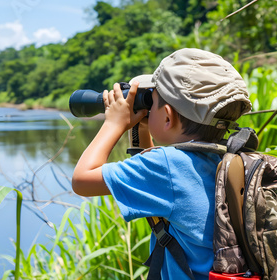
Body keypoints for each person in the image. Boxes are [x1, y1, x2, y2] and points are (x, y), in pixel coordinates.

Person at [71, 48, 252, 279]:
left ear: (167, 117)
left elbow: (81, 181)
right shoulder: (227, 157)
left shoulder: (167, 165)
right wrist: (141, 128)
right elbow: (157, 181)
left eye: (152, 101)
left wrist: (114, 123)